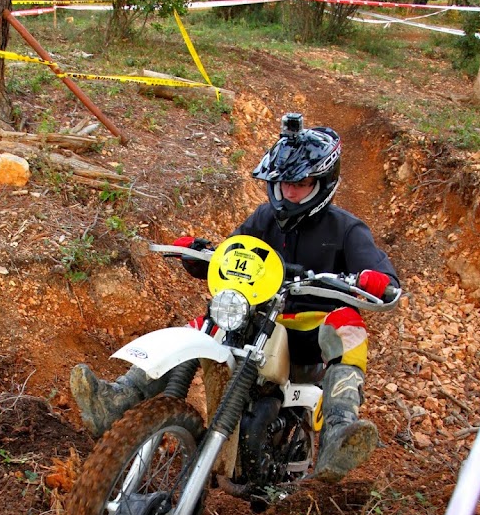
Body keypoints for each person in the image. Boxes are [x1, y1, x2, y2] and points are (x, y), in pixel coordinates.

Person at [70, 113, 399, 482]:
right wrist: (197, 254)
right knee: (203, 324)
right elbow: (233, 256)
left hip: (310, 333)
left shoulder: (347, 229)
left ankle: (338, 432)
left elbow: (386, 282)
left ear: (323, 182)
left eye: (301, 183)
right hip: (256, 320)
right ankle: (117, 399)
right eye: (282, 182)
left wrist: (375, 281)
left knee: (346, 324)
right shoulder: (264, 219)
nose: (289, 192)